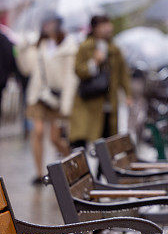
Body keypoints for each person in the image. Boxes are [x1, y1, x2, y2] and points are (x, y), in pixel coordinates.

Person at [15, 15, 77, 185]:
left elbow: (70, 78)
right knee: (39, 131)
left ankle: (72, 164)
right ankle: (39, 172)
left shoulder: (68, 47)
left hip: (56, 98)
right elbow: (26, 69)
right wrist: (23, 48)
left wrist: (66, 103)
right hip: (38, 95)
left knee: (55, 138)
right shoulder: (38, 45)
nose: (48, 26)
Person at [70, 14, 131, 148]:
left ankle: (102, 168)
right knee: (84, 137)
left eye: (108, 24)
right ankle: (82, 167)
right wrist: (94, 62)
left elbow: (123, 74)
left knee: (108, 138)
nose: (107, 28)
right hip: (89, 101)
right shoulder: (85, 47)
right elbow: (78, 70)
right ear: (95, 28)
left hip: (109, 100)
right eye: (103, 25)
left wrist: (127, 94)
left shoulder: (114, 49)